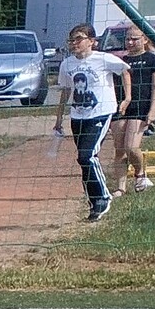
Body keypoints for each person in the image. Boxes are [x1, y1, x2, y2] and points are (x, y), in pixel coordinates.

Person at [53, 23, 129, 221]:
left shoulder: (103, 59)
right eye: (71, 40)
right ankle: (94, 202)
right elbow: (66, 91)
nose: (74, 43)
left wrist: (127, 98)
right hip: (78, 116)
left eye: (79, 39)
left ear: (92, 41)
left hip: (101, 113)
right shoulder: (67, 64)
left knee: (88, 156)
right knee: (83, 159)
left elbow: (124, 71)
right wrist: (59, 117)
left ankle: (103, 197)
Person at [113, 26, 155, 192]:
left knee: (131, 147)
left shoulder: (152, 59)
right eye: (127, 39)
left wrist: (153, 110)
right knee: (120, 149)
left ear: (145, 39)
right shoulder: (121, 61)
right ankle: (120, 188)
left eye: (134, 39)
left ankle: (140, 175)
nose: (130, 42)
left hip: (141, 107)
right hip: (121, 107)